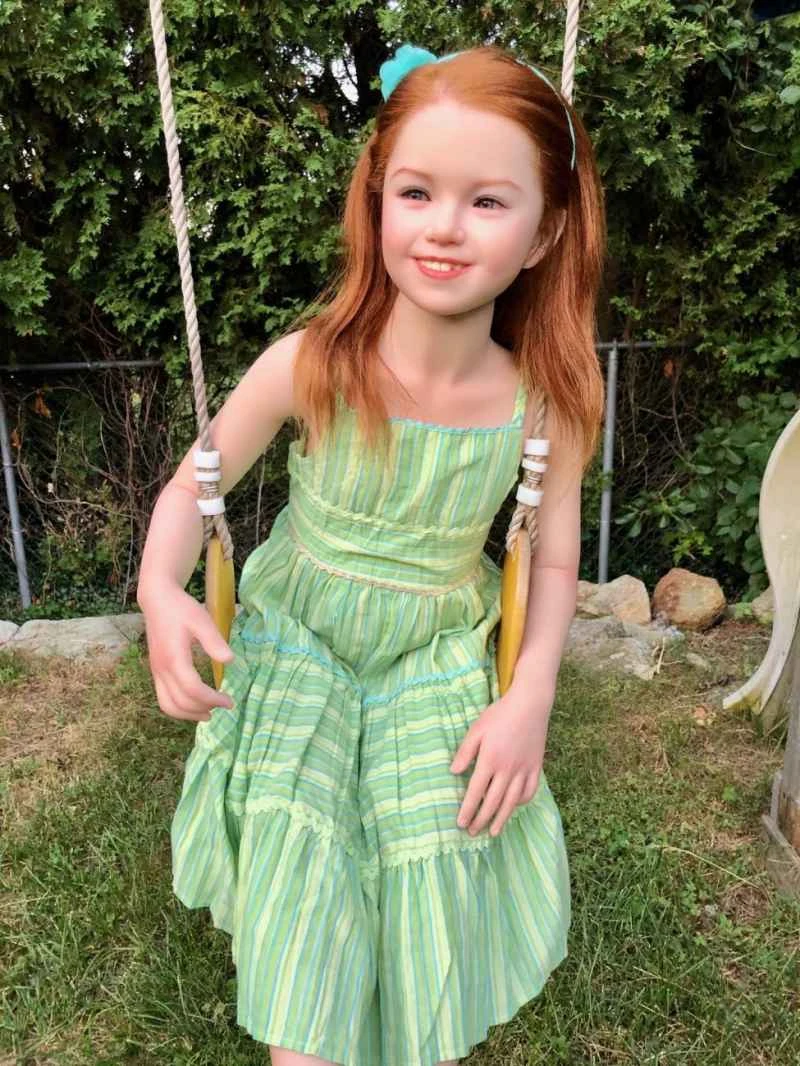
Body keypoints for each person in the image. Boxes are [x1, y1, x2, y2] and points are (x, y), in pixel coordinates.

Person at [137, 41, 606, 1066]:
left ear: (544, 233)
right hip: (298, 645)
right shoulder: (310, 366)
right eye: (416, 192)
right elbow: (192, 489)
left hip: (433, 657)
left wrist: (528, 695)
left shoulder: (543, 406)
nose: (443, 226)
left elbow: (552, 563)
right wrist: (159, 590)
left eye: (487, 201)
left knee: (429, 872)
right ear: (377, 201)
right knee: (306, 875)